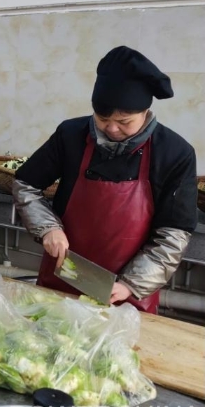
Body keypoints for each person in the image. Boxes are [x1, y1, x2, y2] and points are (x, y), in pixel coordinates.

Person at [13, 46, 198, 314]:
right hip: (61, 282)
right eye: (102, 119)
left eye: (124, 121)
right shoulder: (71, 135)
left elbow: (173, 234)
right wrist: (47, 228)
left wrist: (131, 284)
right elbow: (25, 185)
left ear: (145, 111)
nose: (111, 128)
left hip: (126, 297)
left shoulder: (174, 153)